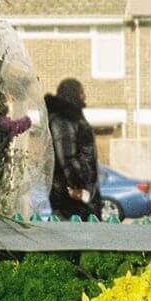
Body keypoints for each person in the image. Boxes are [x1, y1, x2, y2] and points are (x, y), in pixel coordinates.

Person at [45, 78, 101, 220]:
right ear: (72, 93)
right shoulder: (62, 118)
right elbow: (67, 157)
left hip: (79, 194)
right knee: (75, 238)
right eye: (81, 92)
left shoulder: (72, 117)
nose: (84, 96)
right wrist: (79, 187)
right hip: (71, 198)